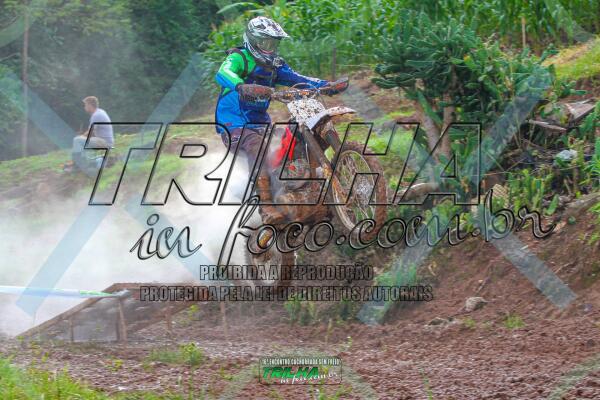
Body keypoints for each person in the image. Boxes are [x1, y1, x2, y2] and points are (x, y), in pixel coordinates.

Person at [214, 16, 347, 224]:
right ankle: (266, 208)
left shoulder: (275, 65)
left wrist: (327, 86)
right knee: (257, 146)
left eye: (273, 43)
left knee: (292, 141)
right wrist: (241, 86)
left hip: (261, 123)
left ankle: (302, 188)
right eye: (265, 42)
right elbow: (223, 72)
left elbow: (299, 79)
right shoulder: (239, 57)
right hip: (233, 124)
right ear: (252, 40)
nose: (270, 48)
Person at [70, 96, 114, 172]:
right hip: (106, 141)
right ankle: (81, 163)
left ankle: (78, 166)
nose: (84, 107)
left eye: (85, 105)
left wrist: (80, 137)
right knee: (80, 141)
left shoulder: (96, 115)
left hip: (104, 142)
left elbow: (90, 132)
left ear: (90, 105)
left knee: (77, 140)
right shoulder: (100, 112)